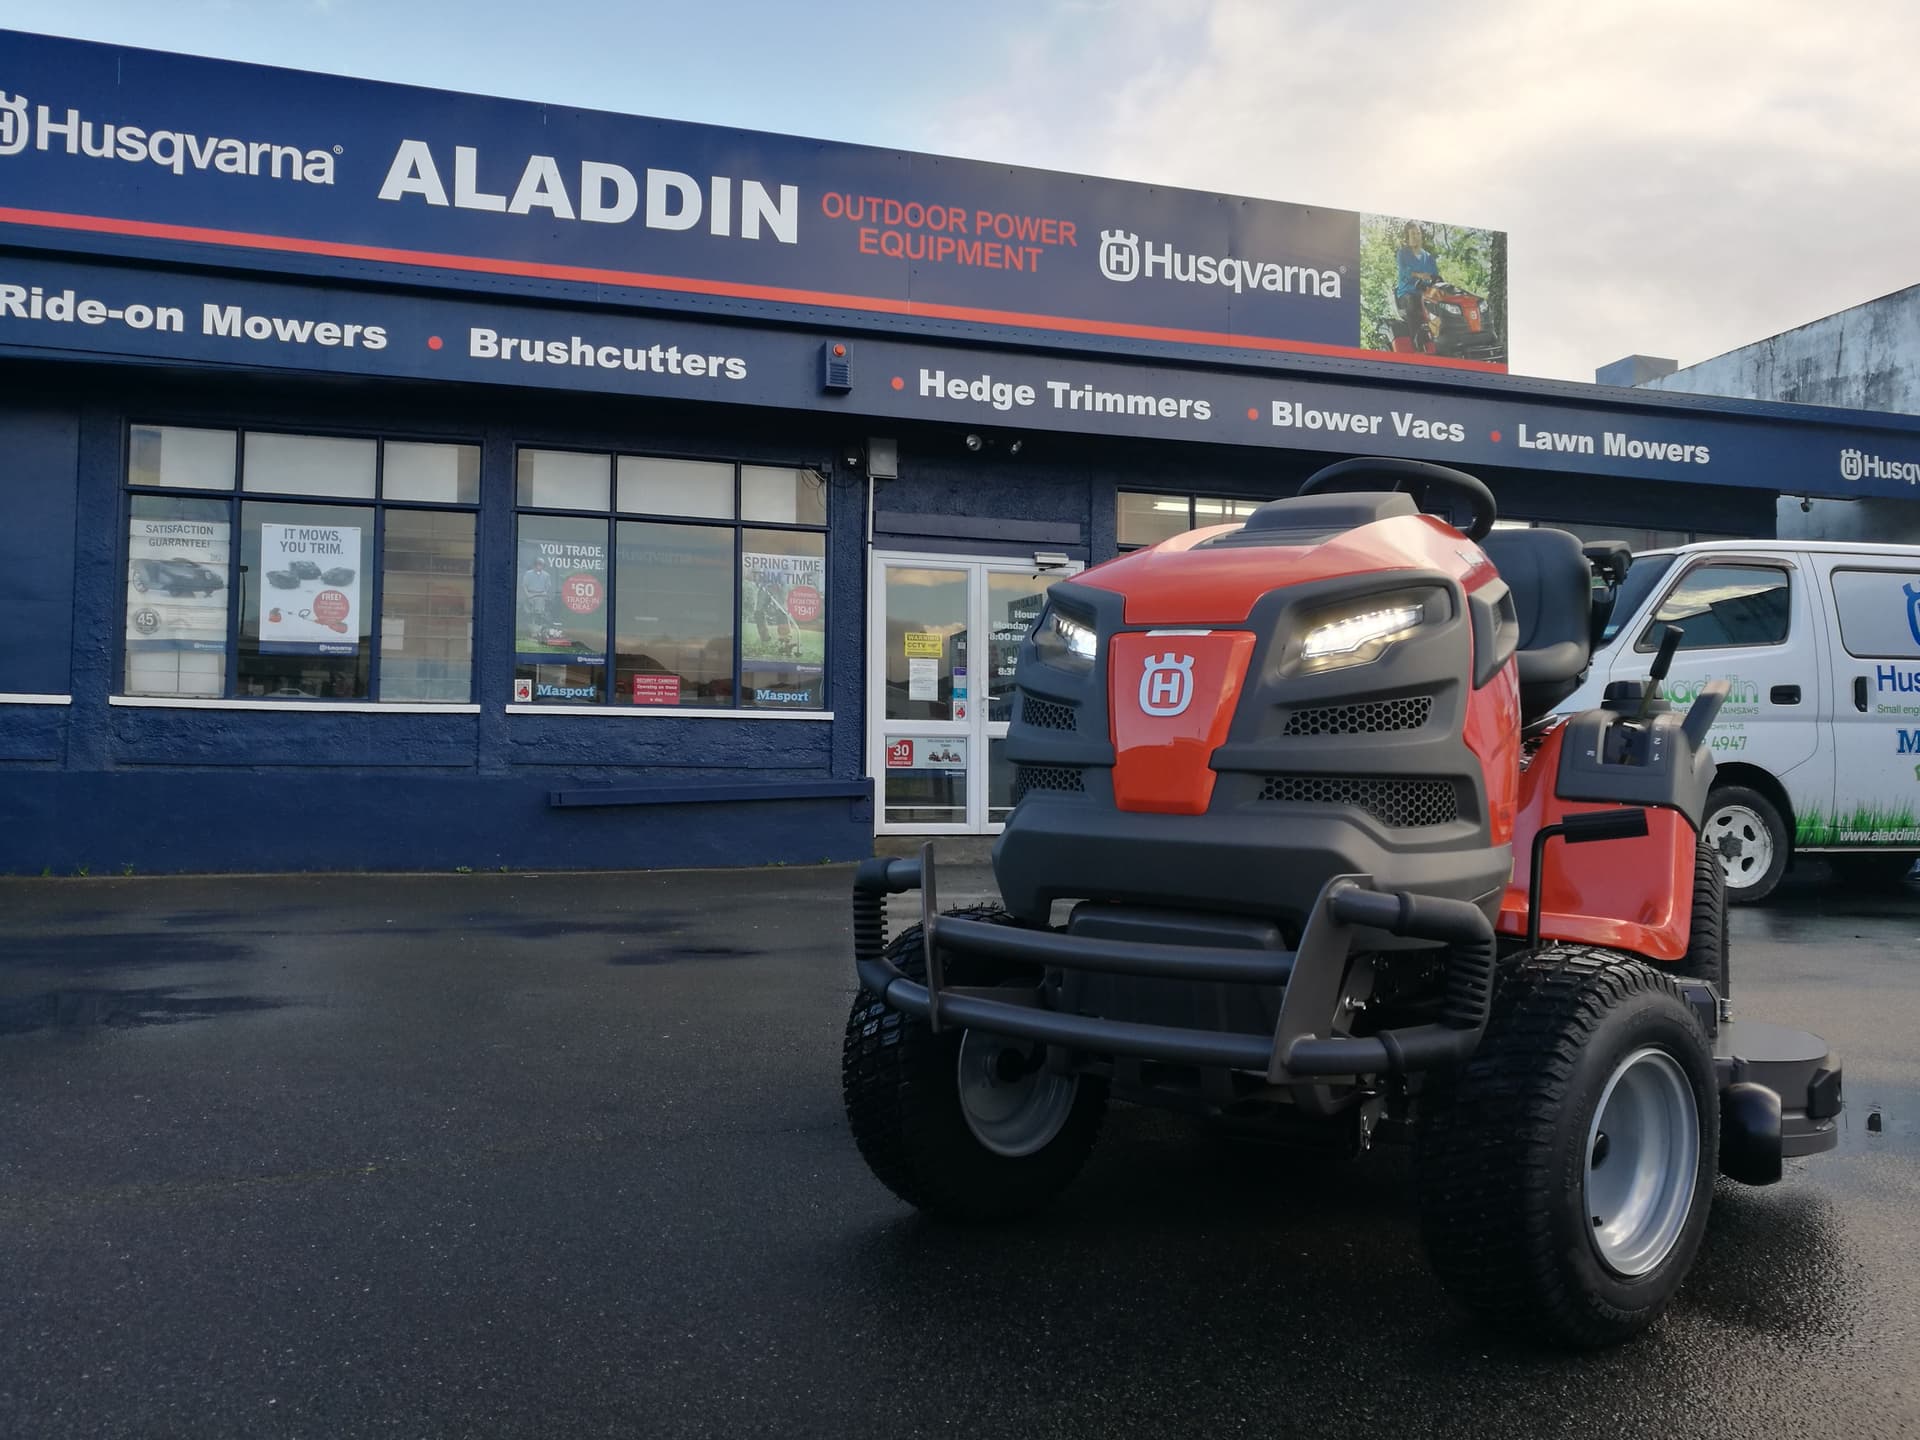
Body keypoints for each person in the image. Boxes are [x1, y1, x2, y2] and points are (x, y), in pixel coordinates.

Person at [1394, 221, 1444, 335]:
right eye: (1412, 234)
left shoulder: (1429, 257)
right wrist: (1419, 275)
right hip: (1407, 294)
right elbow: (1404, 272)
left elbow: (1435, 277)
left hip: (1426, 294)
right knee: (1412, 301)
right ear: (1407, 237)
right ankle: (1417, 339)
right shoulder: (1402, 254)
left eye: (1418, 233)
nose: (1416, 237)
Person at [520, 555, 553, 638]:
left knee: (539, 614)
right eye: (539, 564)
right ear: (535, 565)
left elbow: (548, 586)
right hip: (530, 595)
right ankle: (530, 631)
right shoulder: (528, 573)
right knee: (530, 614)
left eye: (542, 565)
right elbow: (524, 585)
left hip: (541, 596)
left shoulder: (546, 575)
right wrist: (528, 595)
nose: (540, 566)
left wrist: (544, 593)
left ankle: (538, 631)